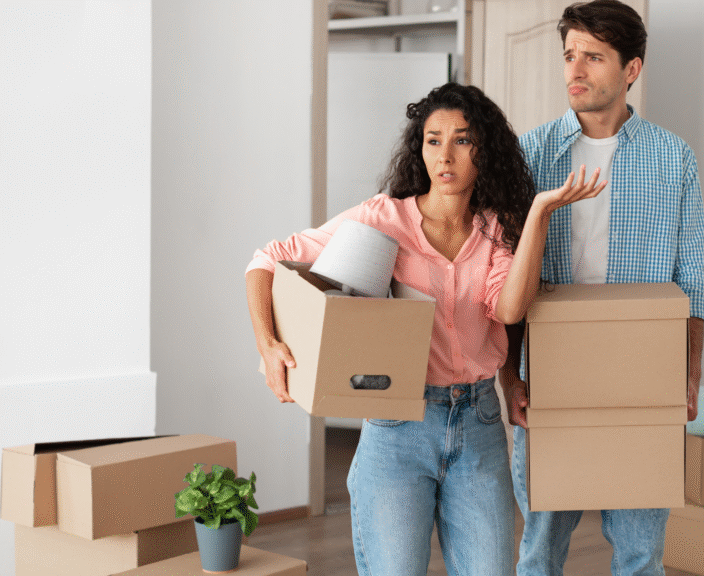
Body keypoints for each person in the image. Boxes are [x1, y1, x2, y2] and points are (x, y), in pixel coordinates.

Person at [245, 83, 605, 576]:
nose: (446, 155)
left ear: (485, 150)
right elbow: (267, 259)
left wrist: (539, 213)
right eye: (433, 140)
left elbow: (509, 310)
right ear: (420, 148)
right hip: (398, 429)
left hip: (478, 424)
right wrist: (268, 345)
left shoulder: (498, 229)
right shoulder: (384, 220)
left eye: (462, 139)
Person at [498, 2, 704, 575]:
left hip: (641, 376)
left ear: (631, 70)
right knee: (540, 550)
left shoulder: (673, 159)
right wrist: (509, 375)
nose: (576, 70)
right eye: (569, 56)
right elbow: (503, 274)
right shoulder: (530, 154)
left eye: (593, 56)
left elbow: (692, 282)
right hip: (549, 374)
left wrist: (687, 379)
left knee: (641, 555)